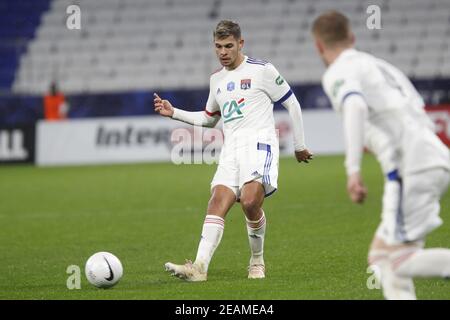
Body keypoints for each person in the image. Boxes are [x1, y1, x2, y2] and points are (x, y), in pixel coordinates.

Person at [153, 20, 313, 281]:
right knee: (217, 201)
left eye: (229, 46)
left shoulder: (263, 70)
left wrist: (299, 146)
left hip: (259, 145)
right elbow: (209, 118)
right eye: (218, 47)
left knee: (250, 202)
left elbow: (292, 104)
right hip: (231, 149)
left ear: (241, 43)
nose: (223, 52)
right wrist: (174, 113)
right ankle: (199, 267)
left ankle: (257, 260)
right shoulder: (216, 79)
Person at [312, 10, 450, 299]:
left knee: (396, 259)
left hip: (411, 166)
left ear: (318, 46)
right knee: (382, 259)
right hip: (422, 160)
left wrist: (353, 170)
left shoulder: (337, 72)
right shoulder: (379, 66)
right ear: (351, 37)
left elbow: (356, 107)